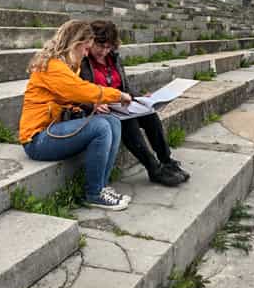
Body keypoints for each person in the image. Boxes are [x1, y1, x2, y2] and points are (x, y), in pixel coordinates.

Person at [19, 20, 133, 211]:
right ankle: (93, 193)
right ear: (75, 44)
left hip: (53, 130)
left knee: (113, 121)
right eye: (86, 48)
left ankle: (101, 187)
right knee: (100, 126)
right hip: (37, 140)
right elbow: (79, 90)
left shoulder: (68, 66)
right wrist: (118, 95)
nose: (87, 53)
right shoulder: (52, 66)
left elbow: (70, 97)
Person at [79, 20, 190, 186]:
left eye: (108, 47)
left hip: (121, 104)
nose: (104, 51)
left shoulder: (113, 58)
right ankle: (154, 169)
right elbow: (77, 92)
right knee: (129, 122)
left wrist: (142, 98)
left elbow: (124, 87)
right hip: (101, 109)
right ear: (90, 41)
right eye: (100, 46)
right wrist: (90, 104)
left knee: (150, 115)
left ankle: (167, 161)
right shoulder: (82, 61)